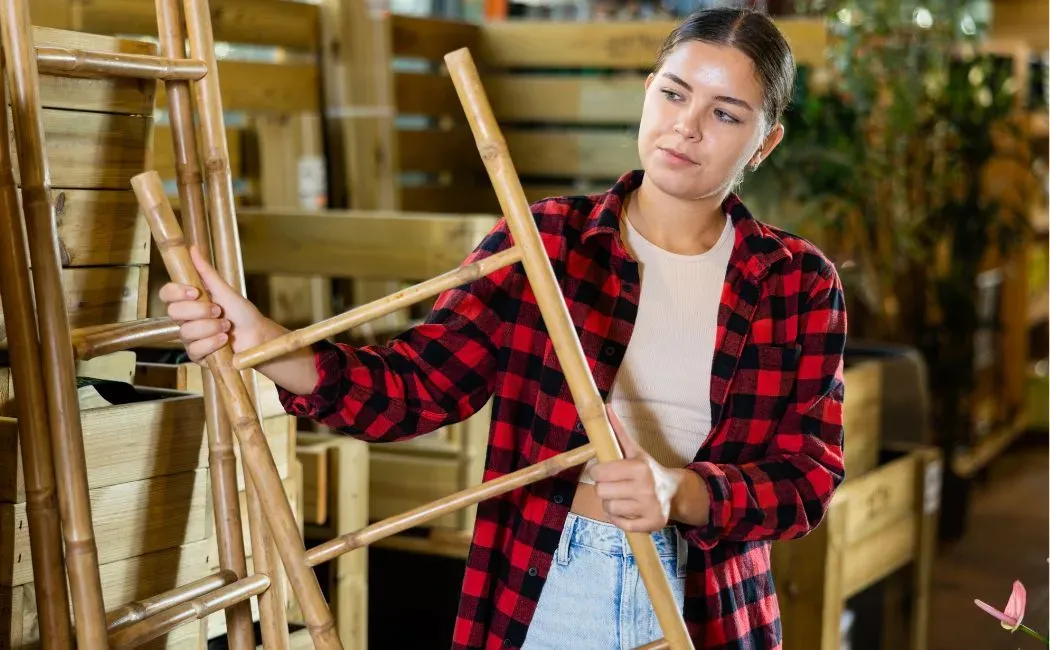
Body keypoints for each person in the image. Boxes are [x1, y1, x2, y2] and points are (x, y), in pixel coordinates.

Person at [159, 7, 847, 649]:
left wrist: (681, 492)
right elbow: (417, 387)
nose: (687, 126)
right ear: (648, 92)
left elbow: (807, 477)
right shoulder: (546, 241)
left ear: (766, 142)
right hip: (547, 581)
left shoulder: (797, 282)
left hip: (708, 599)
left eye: (725, 113)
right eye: (674, 94)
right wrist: (270, 346)